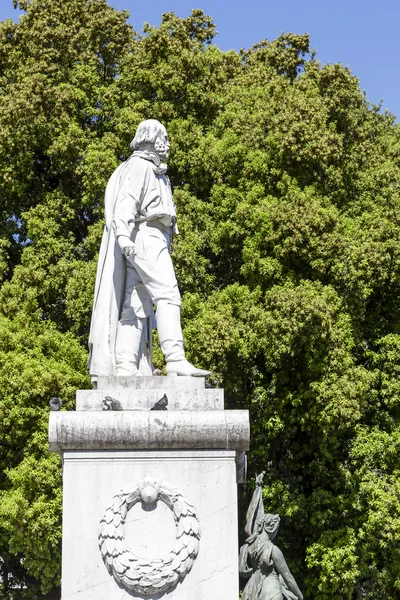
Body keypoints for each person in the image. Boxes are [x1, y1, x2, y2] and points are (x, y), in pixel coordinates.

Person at [88, 119, 210, 380]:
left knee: (135, 306)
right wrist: (123, 236)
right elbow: (126, 202)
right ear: (148, 138)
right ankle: (175, 359)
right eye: (162, 138)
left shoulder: (156, 170)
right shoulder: (141, 166)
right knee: (168, 295)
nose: (166, 144)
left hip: (150, 237)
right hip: (146, 236)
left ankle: (125, 367)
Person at [239, 474, 303, 600]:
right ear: (271, 528)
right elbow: (288, 578)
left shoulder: (249, 545)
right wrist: (300, 596)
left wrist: (258, 489)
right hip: (271, 589)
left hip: (252, 589)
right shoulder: (273, 549)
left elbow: (254, 514)